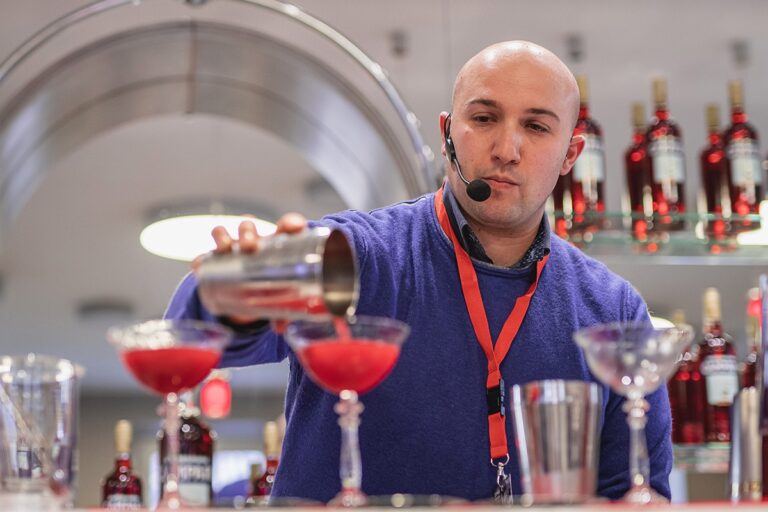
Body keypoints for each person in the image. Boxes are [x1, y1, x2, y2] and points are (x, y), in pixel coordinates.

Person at [165, 41, 672, 502]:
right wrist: (233, 296)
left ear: (570, 155)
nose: (506, 149)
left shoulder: (613, 310)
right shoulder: (357, 254)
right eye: (484, 118)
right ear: (447, 133)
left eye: (536, 127)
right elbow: (187, 333)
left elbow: (638, 493)